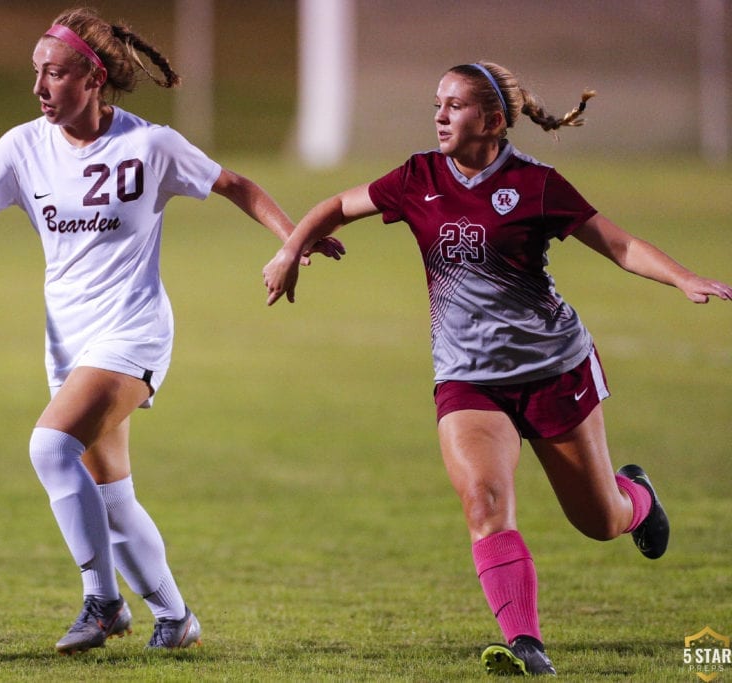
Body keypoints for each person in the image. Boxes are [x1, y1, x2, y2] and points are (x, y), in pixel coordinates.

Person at [262, 61, 731, 676]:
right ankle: (526, 644)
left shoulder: (536, 184)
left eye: (454, 105)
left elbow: (617, 244)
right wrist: (291, 249)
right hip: (467, 377)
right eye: (437, 103)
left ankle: (637, 498)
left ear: (491, 119)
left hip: (554, 370)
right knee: (483, 502)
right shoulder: (418, 176)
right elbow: (335, 205)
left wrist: (683, 278)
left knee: (599, 521)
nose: (439, 114)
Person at [0, 7, 343, 655]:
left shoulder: (149, 146)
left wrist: (292, 237)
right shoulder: (24, 146)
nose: (40, 88)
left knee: (50, 449)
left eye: (54, 74)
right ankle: (175, 615)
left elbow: (234, 184)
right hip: (68, 341)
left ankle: (103, 603)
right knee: (110, 496)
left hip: (133, 331)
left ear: (94, 77)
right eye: (36, 73)